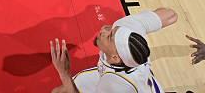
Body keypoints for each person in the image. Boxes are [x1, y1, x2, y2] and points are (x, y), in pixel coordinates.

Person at [50, 8, 178, 92]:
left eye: (109, 36)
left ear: (115, 57)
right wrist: (149, 18)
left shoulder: (115, 84)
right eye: (112, 29)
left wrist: (64, 72)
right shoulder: (128, 28)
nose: (104, 29)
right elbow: (171, 15)